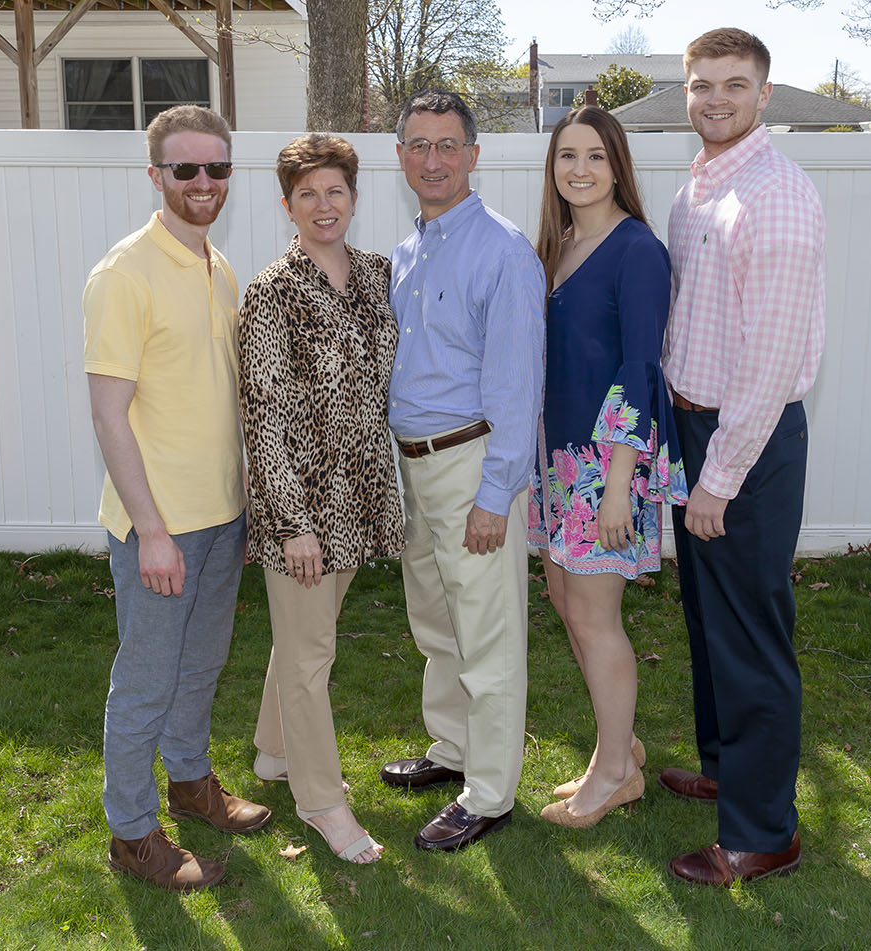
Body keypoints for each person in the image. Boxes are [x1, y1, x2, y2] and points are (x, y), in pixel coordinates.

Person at [83, 104, 271, 892]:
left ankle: (191, 785)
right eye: (185, 167)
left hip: (222, 516)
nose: (203, 181)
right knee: (147, 680)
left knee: (201, 666)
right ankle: (131, 833)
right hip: (159, 526)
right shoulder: (124, 273)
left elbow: (220, 397)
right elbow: (109, 414)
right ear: (154, 174)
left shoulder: (217, 266)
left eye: (217, 167)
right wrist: (152, 530)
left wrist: (246, 499)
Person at [660, 29, 826, 886]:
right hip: (697, 429)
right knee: (708, 618)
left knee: (753, 635)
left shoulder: (777, 195)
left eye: (733, 84)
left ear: (764, 95)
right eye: (702, 84)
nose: (715, 98)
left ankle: (764, 833)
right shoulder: (698, 188)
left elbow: (769, 360)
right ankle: (729, 768)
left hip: (746, 443)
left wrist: (718, 478)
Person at [381, 89, 546, 852]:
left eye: (448, 145)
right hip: (416, 468)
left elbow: (517, 385)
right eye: (418, 145)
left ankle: (490, 794)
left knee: (487, 637)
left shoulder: (503, 251)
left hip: (474, 463)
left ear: (474, 155)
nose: (433, 160)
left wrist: (495, 495)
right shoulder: (408, 253)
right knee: (438, 626)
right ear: (401, 156)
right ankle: (452, 749)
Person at [239, 134, 404, 865]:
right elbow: (263, 413)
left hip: (362, 493)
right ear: (287, 206)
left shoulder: (376, 275)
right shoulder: (272, 291)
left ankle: (274, 751)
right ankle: (320, 801)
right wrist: (293, 525)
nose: (323, 204)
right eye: (307, 194)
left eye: (334, 190)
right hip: (302, 502)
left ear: (354, 198)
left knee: (306, 637)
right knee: (311, 657)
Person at [527, 106, 686, 829]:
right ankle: (616, 749)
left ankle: (616, 774)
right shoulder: (557, 246)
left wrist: (619, 485)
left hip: (605, 466)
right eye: (568, 155)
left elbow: (640, 369)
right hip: (558, 462)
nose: (580, 169)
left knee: (596, 620)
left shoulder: (637, 250)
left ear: (617, 165)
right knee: (568, 604)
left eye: (595, 155)